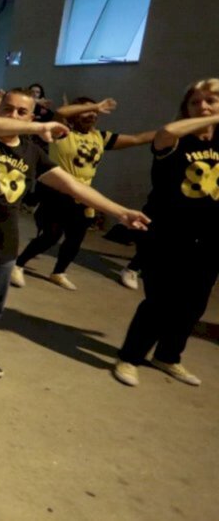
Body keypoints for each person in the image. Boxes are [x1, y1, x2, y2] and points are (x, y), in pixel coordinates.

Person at [0, 88, 149, 378]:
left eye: (22, 112)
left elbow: (73, 186)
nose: (14, 116)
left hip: (4, 246)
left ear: (32, 114)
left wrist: (119, 212)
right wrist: (39, 126)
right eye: (8, 109)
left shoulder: (32, 153)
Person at [113, 79, 219, 388]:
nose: (203, 107)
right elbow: (167, 133)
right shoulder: (173, 139)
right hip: (167, 234)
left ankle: (168, 356)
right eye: (195, 102)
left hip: (210, 237)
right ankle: (130, 357)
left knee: (194, 304)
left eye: (210, 101)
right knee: (160, 301)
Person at [12, 96, 155, 290]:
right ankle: (18, 264)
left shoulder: (100, 137)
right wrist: (96, 106)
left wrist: (171, 133)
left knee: (75, 238)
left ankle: (59, 272)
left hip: (84, 195)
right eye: (85, 111)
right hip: (58, 190)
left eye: (94, 113)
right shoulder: (62, 131)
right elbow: (61, 113)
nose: (91, 115)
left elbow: (137, 139)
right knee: (51, 235)